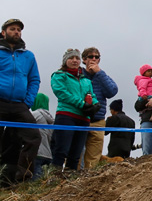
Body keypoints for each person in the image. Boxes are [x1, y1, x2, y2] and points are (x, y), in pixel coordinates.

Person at [0, 18, 41, 185]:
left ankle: (21, 177)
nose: (16, 32)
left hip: (19, 105)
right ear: (4, 32)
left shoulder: (28, 56)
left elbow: (34, 80)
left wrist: (27, 102)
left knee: (33, 136)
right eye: (12, 29)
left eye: (18, 29)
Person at [51, 49, 100, 172]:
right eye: (71, 58)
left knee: (76, 152)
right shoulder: (58, 76)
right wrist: (81, 104)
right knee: (61, 149)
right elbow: (62, 93)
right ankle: (54, 177)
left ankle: (70, 178)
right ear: (65, 61)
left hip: (83, 118)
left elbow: (91, 95)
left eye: (77, 58)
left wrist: (95, 105)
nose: (74, 61)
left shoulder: (86, 80)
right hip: (66, 115)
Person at [81, 47, 118, 169]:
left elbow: (112, 91)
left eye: (96, 57)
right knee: (77, 154)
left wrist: (99, 73)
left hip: (98, 121)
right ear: (84, 59)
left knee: (94, 158)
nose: (93, 59)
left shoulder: (102, 75)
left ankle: (88, 181)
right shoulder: (78, 74)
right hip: (80, 119)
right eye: (90, 57)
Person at [31, 93, 54, 180]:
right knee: (44, 184)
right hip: (48, 155)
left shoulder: (35, 115)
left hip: (37, 153)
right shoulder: (51, 119)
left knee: (35, 184)